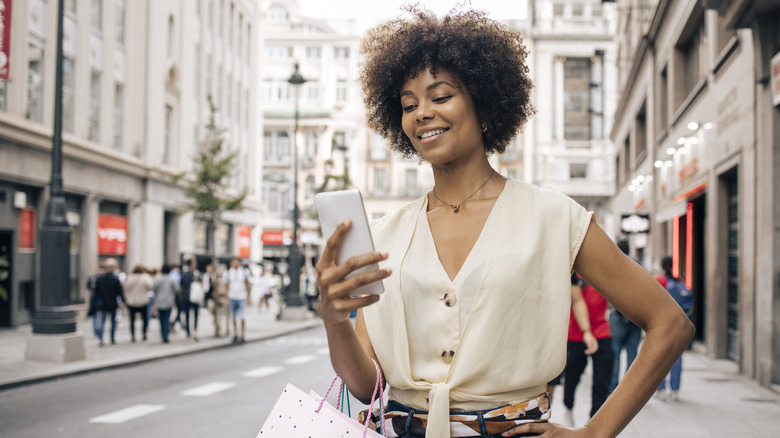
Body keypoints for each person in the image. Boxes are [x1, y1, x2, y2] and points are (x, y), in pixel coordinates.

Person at [315, 8, 694, 438]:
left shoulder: (553, 216)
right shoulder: (384, 237)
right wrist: (333, 318)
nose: (422, 113)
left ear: (485, 104)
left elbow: (670, 323)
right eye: (408, 104)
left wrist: (593, 433)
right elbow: (365, 387)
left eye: (440, 97)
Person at [561, 274, 614, 427]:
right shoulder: (574, 270)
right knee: (572, 377)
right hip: (576, 334)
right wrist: (586, 331)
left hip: (602, 331)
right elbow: (577, 300)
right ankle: (568, 408)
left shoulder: (606, 269)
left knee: (601, 382)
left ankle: (594, 424)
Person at [546, 275, 599, 407]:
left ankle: (542, 423)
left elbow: (576, 300)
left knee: (547, 389)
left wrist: (586, 331)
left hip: (550, 337)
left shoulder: (564, 265)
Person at [655, 256, 693, 401]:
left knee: (661, 356)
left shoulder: (660, 281)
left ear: (662, 265)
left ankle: (661, 388)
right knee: (677, 357)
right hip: (679, 324)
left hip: (663, 324)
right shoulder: (681, 282)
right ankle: (675, 389)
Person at [609, 241, 643, 392]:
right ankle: (630, 390)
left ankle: (613, 388)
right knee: (632, 355)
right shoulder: (638, 265)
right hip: (635, 317)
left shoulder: (613, 265)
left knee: (615, 354)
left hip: (617, 316)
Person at [93, 258, 125, 346]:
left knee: (102, 321)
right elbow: (120, 292)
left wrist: (95, 303)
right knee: (113, 322)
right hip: (113, 303)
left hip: (103, 303)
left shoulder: (100, 279)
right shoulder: (115, 279)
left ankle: (101, 339)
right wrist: (123, 301)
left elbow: (96, 293)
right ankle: (112, 338)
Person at [124, 265, 153, 342]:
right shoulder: (145, 277)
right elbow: (150, 287)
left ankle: (133, 335)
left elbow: (126, 288)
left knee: (132, 320)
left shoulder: (130, 277)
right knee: (144, 319)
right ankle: (144, 333)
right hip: (143, 300)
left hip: (132, 301)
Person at [224, 257, 250, 344]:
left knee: (242, 317)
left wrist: (248, 297)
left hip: (241, 297)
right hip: (232, 297)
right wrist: (226, 298)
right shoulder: (228, 273)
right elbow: (226, 285)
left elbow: (248, 284)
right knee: (233, 317)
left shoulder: (244, 272)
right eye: (233, 262)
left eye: (237, 262)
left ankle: (242, 335)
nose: (235, 264)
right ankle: (235, 334)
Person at [151, 264, 178, 343]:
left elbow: (153, 289)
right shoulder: (171, 280)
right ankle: (166, 335)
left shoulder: (158, 279)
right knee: (167, 318)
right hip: (169, 301)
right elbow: (175, 290)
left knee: (161, 319)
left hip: (159, 301)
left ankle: (163, 334)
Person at [180, 258, 202, 341]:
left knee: (188, 315)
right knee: (193, 315)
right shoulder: (196, 273)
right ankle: (193, 332)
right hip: (193, 296)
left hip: (187, 296)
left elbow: (181, 285)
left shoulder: (184, 274)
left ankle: (189, 333)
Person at [86, 261, 106, 340]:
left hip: (94, 298)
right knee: (101, 316)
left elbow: (88, 286)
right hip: (103, 299)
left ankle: (95, 330)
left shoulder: (93, 276)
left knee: (94, 315)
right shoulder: (104, 277)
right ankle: (100, 329)